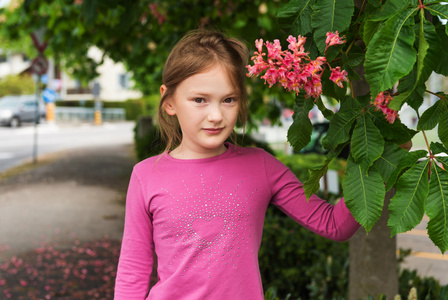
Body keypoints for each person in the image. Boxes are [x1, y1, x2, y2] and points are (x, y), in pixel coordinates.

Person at [114, 29, 360, 300]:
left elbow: (335, 225)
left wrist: (374, 163)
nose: (216, 115)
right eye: (200, 100)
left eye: (228, 99)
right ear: (169, 100)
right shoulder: (146, 175)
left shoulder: (261, 167)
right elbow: (132, 274)